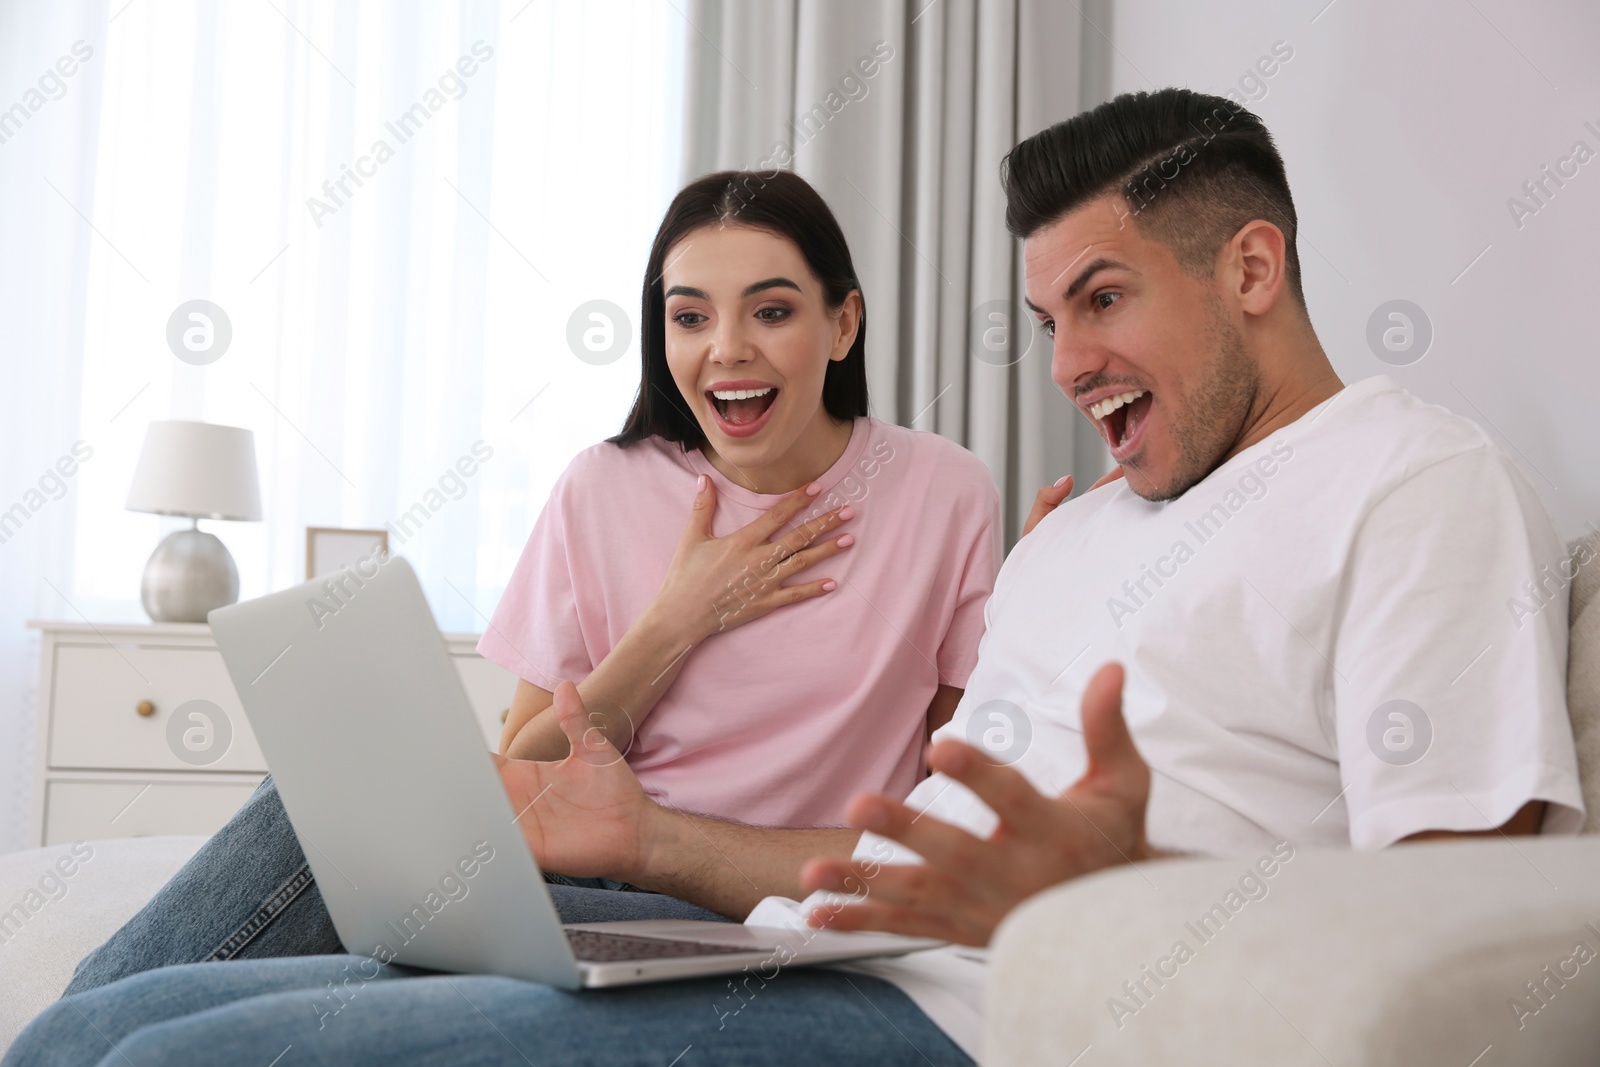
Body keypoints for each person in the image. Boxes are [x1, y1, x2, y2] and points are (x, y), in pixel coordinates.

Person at [11, 87, 1581, 1067]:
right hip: (840, 949)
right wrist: (651, 836)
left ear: (1252, 268)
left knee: (167, 1056)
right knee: (109, 1025)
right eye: (1047, 321)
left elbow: (1452, 918)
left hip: (984, 1014)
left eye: (1102, 299)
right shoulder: (1087, 526)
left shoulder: (1414, 479)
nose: (1069, 363)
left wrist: (1104, 905)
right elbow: (898, 854)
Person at [48, 169, 1003, 995]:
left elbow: (947, 799)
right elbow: (528, 763)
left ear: (843, 322)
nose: (727, 348)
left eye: (772, 310)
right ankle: (78, 1017)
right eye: (689, 316)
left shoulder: (942, 493)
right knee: (314, 810)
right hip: (578, 883)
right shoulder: (606, 485)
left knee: (311, 963)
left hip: (757, 910)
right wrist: (678, 620)